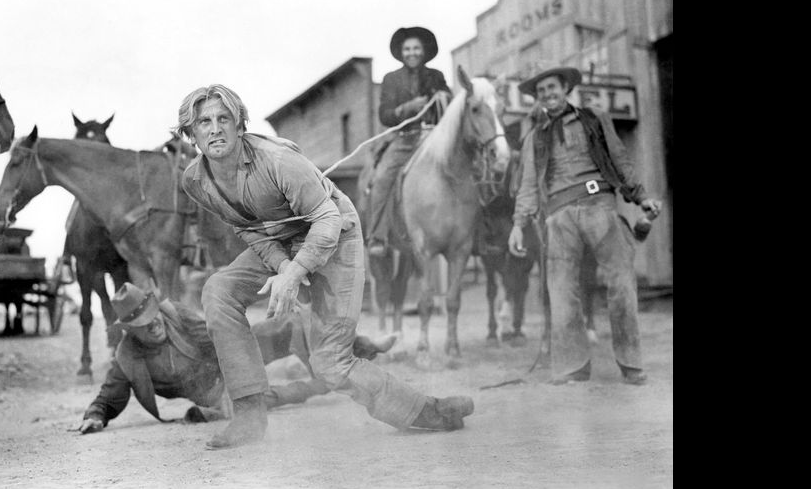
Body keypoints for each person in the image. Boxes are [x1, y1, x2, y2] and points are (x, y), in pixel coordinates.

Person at [176, 84, 474, 449]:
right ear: (190, 133)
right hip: (282, 241)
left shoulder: (278, 160)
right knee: (218, 290)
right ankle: (249, 414)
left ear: (240, 125)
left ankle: (429, 411)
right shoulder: (195, 180)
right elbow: (246, 228)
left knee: (329, 363)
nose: (215, 129)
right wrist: (283, 266)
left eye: (224, 119)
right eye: (203, 122)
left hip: (335, 234)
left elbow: (327, 219)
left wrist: (294, 272)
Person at [507, 62, 662, 386]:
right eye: (541, 90)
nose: (547, 94)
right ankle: (571, 367)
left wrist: (640, 196)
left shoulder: (594, 118)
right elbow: (529, 185)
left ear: (566, 88)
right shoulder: (534, 137)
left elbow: (619, 158)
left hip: (599, 206)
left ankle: (631, 364)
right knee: (561, 290)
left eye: (552, 87)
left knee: (622, 283)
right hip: (559, 217)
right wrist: (519, 223)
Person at [78, 282, 397, 434]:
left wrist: (243, 356)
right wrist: (95, 415)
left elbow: (215, 334)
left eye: (153, 314)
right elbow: (108, 396)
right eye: (144, 325)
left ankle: (364, 347)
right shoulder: (128, 358)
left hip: (226, 357)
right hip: (215, 395)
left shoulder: (174, 313)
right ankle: (324, 384)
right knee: (266, 397)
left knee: (289, 324)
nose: (154, 324)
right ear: (131, 331)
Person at [366, 26, 452, 257]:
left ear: (423, 51)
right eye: (407, 49)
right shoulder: (391, 79)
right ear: (401, 52)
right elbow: (384, 115)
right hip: (405, 139)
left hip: (433, 138)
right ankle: (377, 236)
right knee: (382, 178)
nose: (412, 53)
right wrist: (407, 108)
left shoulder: (436, 76)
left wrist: (444, 97)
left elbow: (450, 102)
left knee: (463, 167)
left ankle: (478, 233)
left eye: (416, 48)